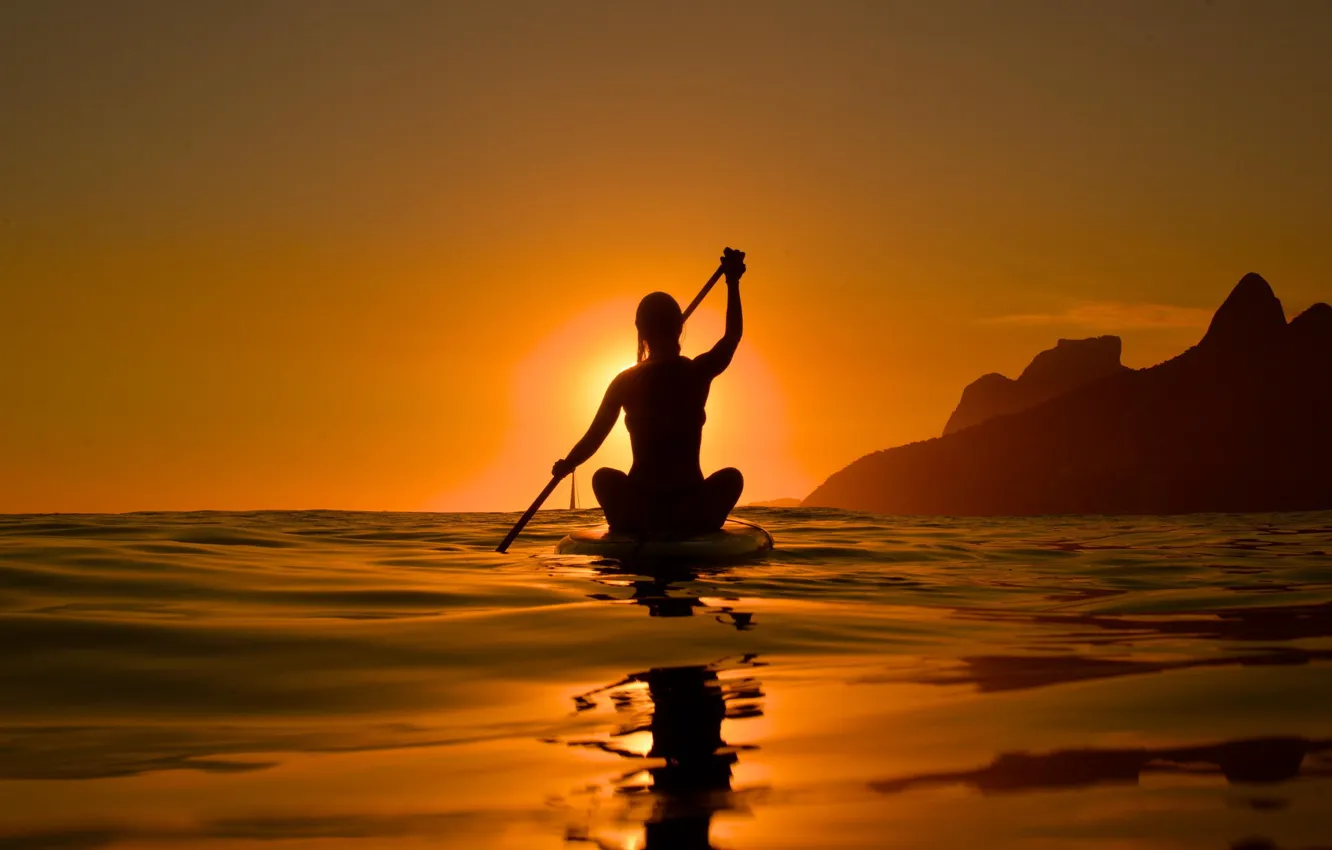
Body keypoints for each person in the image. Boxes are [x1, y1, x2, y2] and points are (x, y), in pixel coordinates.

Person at [552, 248, 747, 536]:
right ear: (679, 328)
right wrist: (732, 282)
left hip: (645, 504)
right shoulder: (695, 371)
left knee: (602, 478)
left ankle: (645, 523)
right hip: (684, 502)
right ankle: (682, 522)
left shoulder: (625, 381)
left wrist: (568, 464)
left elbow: (593, 439)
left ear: (641, 331)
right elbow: (731, 337)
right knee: (733, 478)